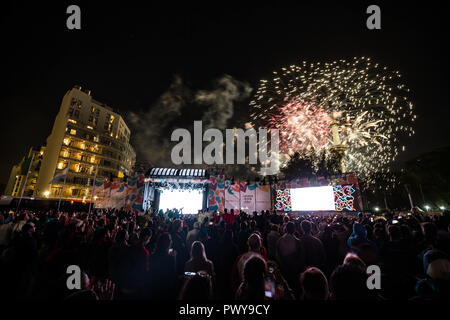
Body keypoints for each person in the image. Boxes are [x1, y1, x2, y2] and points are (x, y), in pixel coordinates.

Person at [147, 232, 178, 299]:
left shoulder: (152, 256)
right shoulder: (170, 258)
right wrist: (174, 257)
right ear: (168, 243)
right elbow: (172, 274)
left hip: (153, 287)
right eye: (170, 240)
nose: (171, 241)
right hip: (165, 288)